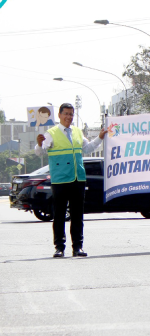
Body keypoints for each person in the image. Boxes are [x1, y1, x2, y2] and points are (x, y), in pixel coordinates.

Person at [35, 103, 107, 258]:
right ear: (60, 115)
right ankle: (59, 247)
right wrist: (39, 144)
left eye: (71, 114)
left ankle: (78, 247)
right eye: (66, 114)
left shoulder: (77, 132)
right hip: (60, 179)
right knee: (59, 215)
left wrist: (100, 137)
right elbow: (40, 152)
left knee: (77, 215)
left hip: (78, 178)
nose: (69, 117)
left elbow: (88, 148)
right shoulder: (51, 133)